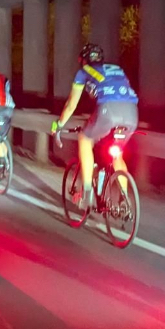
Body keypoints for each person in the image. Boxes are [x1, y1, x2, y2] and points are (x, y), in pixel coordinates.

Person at [49, 43, 138, 209]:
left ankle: (87, 194)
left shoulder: (84, 72)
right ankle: (124, 201)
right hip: (132, 112)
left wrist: (59, 124)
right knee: (117, 155)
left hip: (108, 110)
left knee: (85, 138)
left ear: (83, 60)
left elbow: (71, 105)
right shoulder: (117, 69)